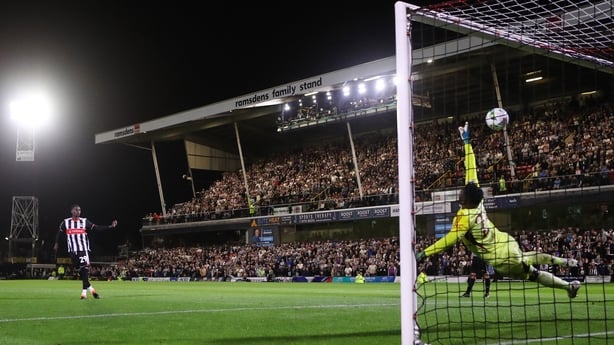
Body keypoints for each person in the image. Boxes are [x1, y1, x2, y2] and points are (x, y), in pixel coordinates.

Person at [416, 122, 581, 298]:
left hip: (503, 261)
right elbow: (471, 168)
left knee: (535, 274)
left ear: (466, 199)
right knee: (528, 260)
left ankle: (566, 275)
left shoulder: (464, 216)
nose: (461, 191)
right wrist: (466, 143)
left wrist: (425, 252)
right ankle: (566, 273)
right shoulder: (477, 201)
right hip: (508, 243)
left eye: (462, 192)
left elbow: (449, 239)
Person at [53, 204, 118, 299]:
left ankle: (84, 294)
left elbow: (97, 228)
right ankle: (91, 290)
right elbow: (59, 233)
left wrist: (110, 226)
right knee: (81, 272)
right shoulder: (65, 222)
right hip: (72, 251)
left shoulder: (84, 221)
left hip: (83, 249)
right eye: (76, 210)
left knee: (84, 270)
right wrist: (56, 243)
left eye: (79, 210)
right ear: (72, 211)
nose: (78, 211)